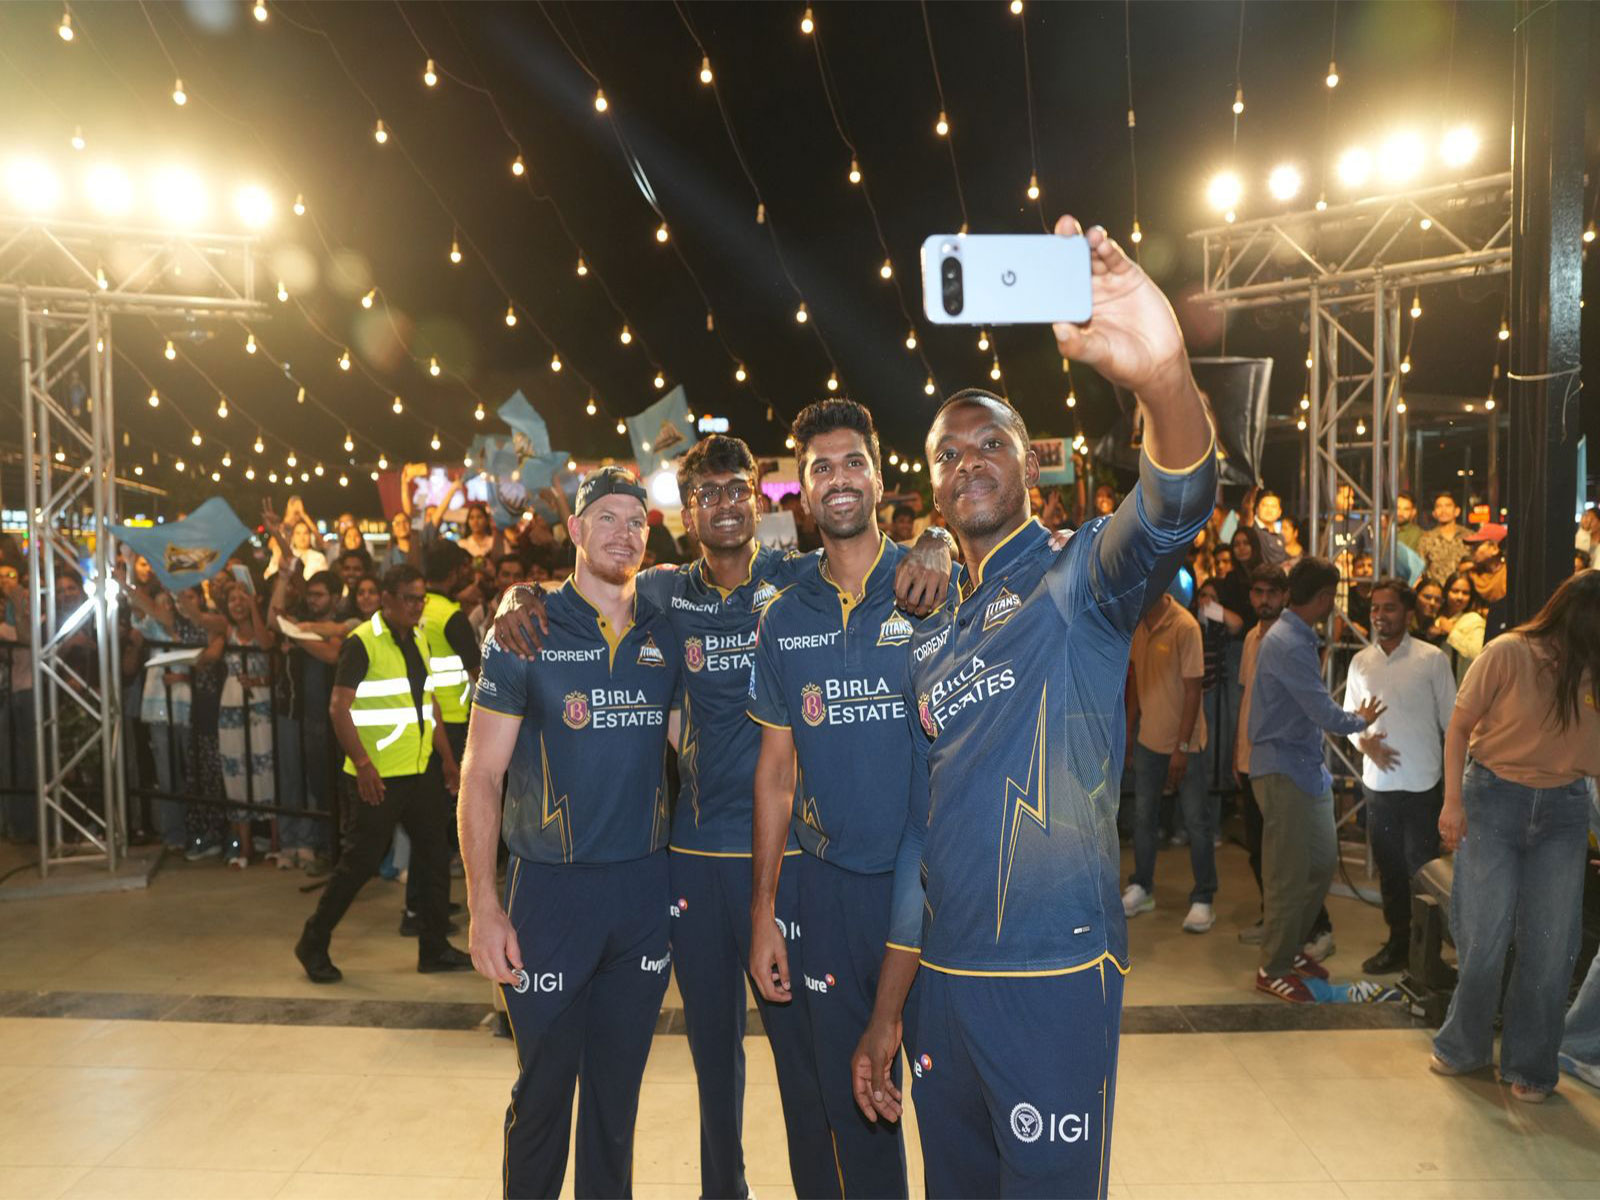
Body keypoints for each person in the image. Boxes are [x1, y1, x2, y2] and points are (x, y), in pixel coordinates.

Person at [852, 213, 1218, 1198]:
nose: (968, 462)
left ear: (1029, 464)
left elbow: (1172, 509)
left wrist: (1163, 381)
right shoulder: (930, 629)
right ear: (928, 482)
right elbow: (922, 842)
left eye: (990, 445)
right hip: (944, 990)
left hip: (1052, 982)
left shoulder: (1073, 579)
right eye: (948, 453)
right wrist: (890, 1011)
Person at [488, 435, 953, 1200]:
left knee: (805, 1069)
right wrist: (521, 596)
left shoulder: (797, 576)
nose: (725, 504)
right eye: (706, 494)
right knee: (714, 1068)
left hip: (790, 864)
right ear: (686, 510)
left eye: (738, 489)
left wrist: (933, 538)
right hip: (695, 864)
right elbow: (590, 587)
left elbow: (876, 551)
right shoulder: (666, 593)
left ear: (762, 497)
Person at [457, 467, 684, 1197]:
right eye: (607, 519)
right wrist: (484, 906)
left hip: (644, 895)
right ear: (577, 530)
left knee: (616, 1102)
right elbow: (480, 775)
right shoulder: (526, 631)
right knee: (546, 1089)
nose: (623, 533)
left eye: (636, 521)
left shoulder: (663, 628)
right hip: (549, 895)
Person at [747, 399, 943, 1198]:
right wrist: (763, 911)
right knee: (858, 1106)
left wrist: (938, 540)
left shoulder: (933, 586)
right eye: (819, 466)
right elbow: (775, 775)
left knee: (955, 1108)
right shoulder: (784, 616)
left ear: (878, 475)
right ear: (800, 487)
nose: (837, 478)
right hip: (827, 894)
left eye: (851, 461)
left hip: (937, 897)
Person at [1432, 571, 1600, 1102]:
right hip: (1492, 799)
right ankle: (1464, 1046)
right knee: (1483, 938)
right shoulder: (1508, 652)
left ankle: (1530, 1065)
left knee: (1551, 948)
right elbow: (1459, 727)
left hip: (1565, 810)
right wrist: (1452, 803)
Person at [294, 564, 470, 984]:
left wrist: (446, 760)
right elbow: (339, 708)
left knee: (433, 855)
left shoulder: (422, 638)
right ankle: (313, 940)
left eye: (421, 597)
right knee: (360, 862)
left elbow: (431, 706)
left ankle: (434, 947)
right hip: (379, 775)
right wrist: (365, 765)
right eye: (409, 598)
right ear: (387, 599)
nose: (417, 605)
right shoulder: (363, 642)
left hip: (421, 768)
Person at [1247, 557, 1384, 1003]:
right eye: (1332, 598)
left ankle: (1291, 947)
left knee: (1320, 863)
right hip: (1284, 770)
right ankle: (1274, 967)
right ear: (1324, 597)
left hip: (1303, 768)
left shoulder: (1294, 636)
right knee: (1288, 874)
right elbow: (1320, 709)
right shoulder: (1288, 641)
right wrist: (1358, 720)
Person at [1342, 579, 1455, 974]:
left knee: (1425, 873)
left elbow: (1453, 724)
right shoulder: (1360, 662)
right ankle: (1398, 943)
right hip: (1379, 787)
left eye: (1388, 608)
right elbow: (1349, 722)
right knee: (1390, 870)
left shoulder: (1432, 659)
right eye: (1375, 608)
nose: (1379, 616)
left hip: (1423, 785)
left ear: (1408, 614)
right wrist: (1364, 745)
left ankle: (1429, 956)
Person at [1122, 590, 1217, 932]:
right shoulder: (1138, 624)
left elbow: (1194, 691)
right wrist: (1130, 733)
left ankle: (1204, 897)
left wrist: (1181, 747)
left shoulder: (1185, 626)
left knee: (1196, 822)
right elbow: (1135, 683)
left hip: (1186, 744)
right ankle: (1142, 887)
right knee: (1144, 818)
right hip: (1149, 740)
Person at [404, 543, 481, 934]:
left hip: (424, 725)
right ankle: (420, 910)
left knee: (429, 822)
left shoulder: (418, 611)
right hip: (452, 724)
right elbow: (478, 672)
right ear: (454, 574)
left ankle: (424, 903)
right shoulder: (450, 616)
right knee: (437, 823)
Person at [1234, 564, 1289, 943]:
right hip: (1249, 759)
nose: (1264, 600)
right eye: (1258, 592)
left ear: (1285, 596)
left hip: (1279, 763)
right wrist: (1237, 755)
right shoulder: (1252, 638)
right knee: (1258, 848)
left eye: (1271, 592)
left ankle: (1301, 927)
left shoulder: (1290, 640)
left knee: (1283, 851)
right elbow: (1246, 699)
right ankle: (1273, 918)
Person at [217, 584, 275, 868]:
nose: (237, 603)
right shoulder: (224, 630)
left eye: (243, 597)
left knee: (266, 767)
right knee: (235, 769)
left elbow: (265, 646)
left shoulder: (266, 627)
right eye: (232, 598)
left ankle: (276, 842)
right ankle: (245, 845)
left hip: (259, 705)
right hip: (230, 705)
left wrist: (254, 609)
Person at [1432, 573, 1486, 683]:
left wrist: (1452, 632)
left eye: (1465, 593)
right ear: (1446, 592)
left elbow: (1477, 654)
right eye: (1455, 591)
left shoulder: (1473, 620)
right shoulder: (1435, 617)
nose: (1459, 597)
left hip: (1459, 684)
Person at [1418, 490, 1468, 585]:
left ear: (1457, 511)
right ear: (1434, 513)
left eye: (1448, 506)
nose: (1443, 510)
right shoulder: (1426, 538)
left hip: (1462, 592)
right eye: (1439, 506)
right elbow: (1421, 570)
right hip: (1436, 594)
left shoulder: (1469, 537)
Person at [1253, 491, 1287, 565]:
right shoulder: (1252, 530)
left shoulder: (1281, 536)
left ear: (1279, 512)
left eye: (1273, 506)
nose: (1269, 510)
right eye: (1265, 505)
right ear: (1257, 509)